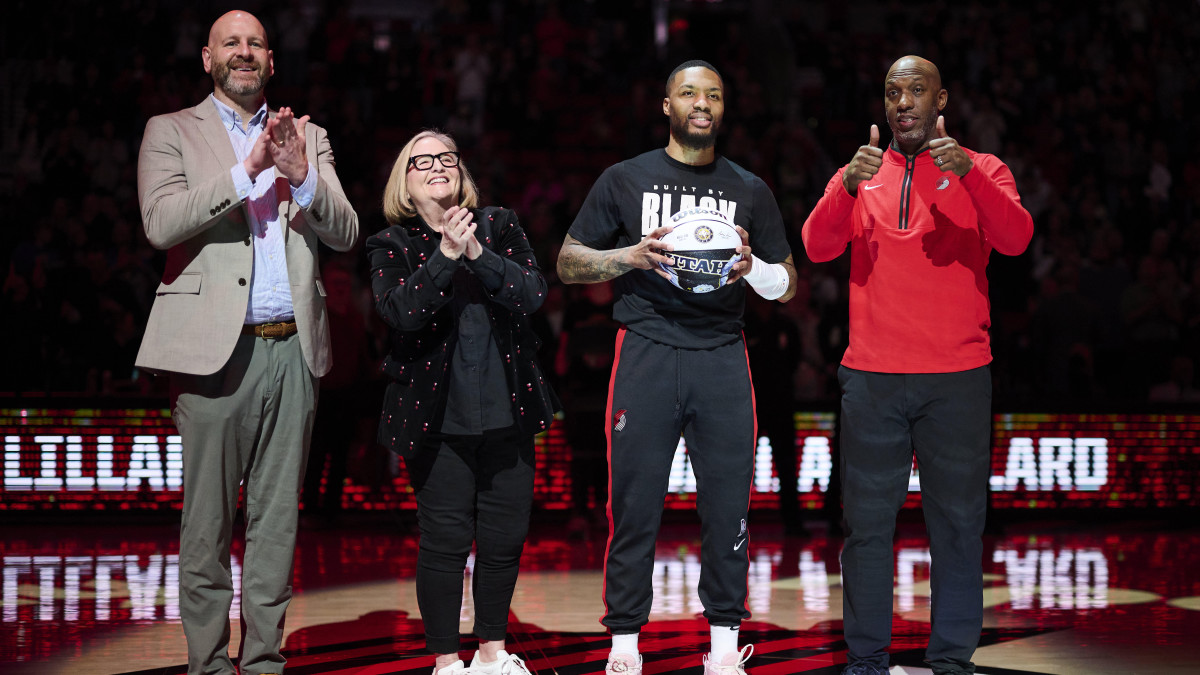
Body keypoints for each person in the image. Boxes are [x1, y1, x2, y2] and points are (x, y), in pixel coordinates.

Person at [135, 10, 359, 674]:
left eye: (255, 43)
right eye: (230, 42)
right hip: (213, 352)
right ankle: (206, 665)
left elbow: (345, 231)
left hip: (293, 349)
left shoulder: (307, 135)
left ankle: (263, 661)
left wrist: (302, 175)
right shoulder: (170, 130)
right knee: (206, 526)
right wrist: (247, 169)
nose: (243, 51)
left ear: (271, 62)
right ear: (207, 57)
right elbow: (162, 222)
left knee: (276, 523)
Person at [557, 60, 797, 675]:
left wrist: (754, 271)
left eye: (714, 94)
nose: (702, 103)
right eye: (689, 92)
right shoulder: (624, 178)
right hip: (646, 351)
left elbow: (789, 283)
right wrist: (630, 257)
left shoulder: (750, 187)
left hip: (721, 355)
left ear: (723, 110)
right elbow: (567, 260)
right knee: (634, 505)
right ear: (666, 105)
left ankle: (722, 650)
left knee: (727, 505)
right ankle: (625, 649)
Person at [801, 55, 1034, 675]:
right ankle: (866, 659)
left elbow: (1016, 239)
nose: (902, 101)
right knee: (866, 531)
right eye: (892, 91)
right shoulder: (862, 171)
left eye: (915, 91)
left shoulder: (983, 168)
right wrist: (847, 185)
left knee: (958, 528)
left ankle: (952, 661)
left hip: (956, 378)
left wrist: (971, 180)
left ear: (942, 101)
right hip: (872, 377)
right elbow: (816, 245)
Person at [366, 130, 558, 675]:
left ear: (461, 171)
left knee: (503, 540)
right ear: (405, 180)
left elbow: (532, 293)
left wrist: (476, 251)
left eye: (445, 158)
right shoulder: (392, 244)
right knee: (445, 543)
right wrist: (446, 257)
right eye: (420, 161)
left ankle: (493, 652)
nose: (435, 167)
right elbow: (400, 314)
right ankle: (448, 663)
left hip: (509, 414)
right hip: (436, 421)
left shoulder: (498, 225)